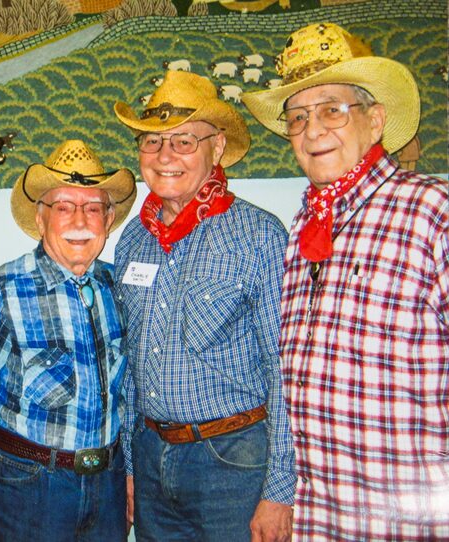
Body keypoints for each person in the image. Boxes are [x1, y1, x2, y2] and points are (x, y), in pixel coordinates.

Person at [242, 22, 449, 540]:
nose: (313, 131)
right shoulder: (302, 227)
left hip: (414, 518)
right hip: (323, 515)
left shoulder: (430, 211)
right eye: (298, 117)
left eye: (333, 109)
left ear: (375, 121)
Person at [112, 70, 296, 542]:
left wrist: (279, 490)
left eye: (183, 141)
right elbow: (132, 363)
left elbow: (285, 368)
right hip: (152, 457)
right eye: (152, 141)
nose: (165, 156)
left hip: (233, 461)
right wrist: (132, 468)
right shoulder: (133, 238)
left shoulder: (258, 234)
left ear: (216, 148)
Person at [0, 139, 137, 542]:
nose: (78, 220)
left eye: (92, 208)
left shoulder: (117, 286)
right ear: (41, 217)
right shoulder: (5, 290)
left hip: (108, 486)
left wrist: (130, 474)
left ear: (109, 217)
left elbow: (129, 397)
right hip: (28, 488)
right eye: (63, 207)